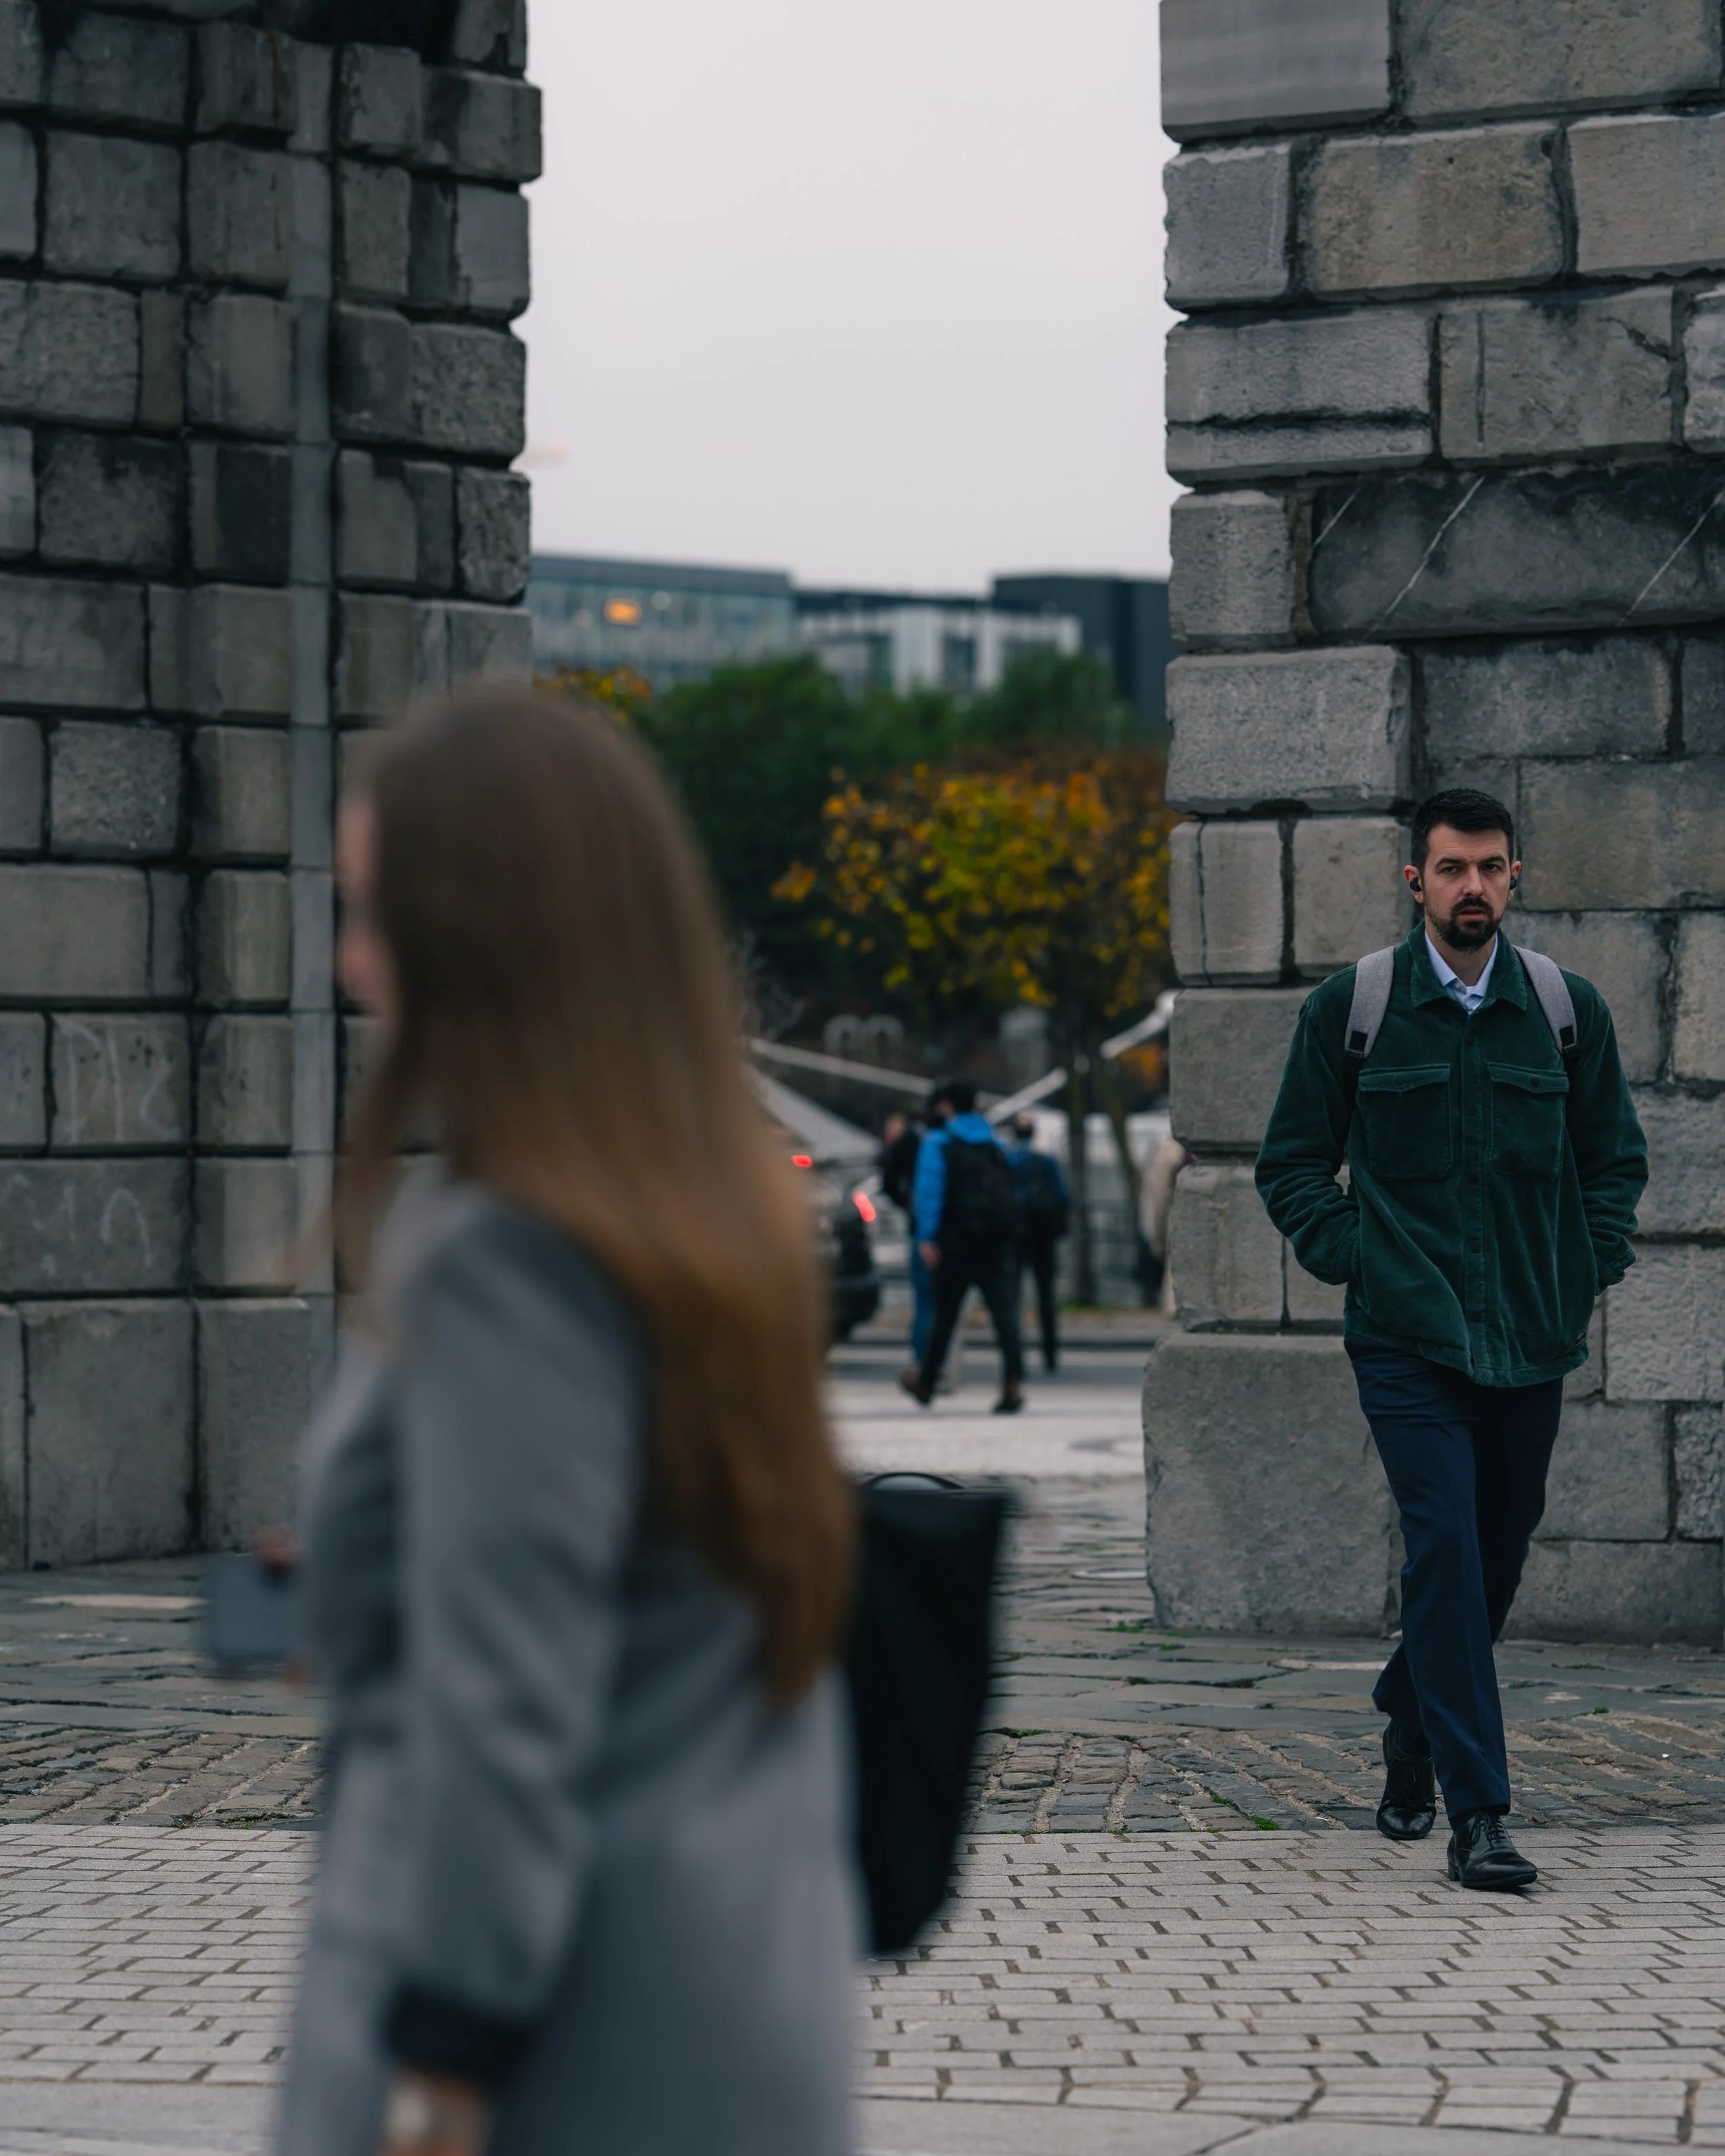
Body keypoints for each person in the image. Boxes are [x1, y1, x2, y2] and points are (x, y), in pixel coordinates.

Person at [278, 689, 857, 2156]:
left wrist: (440, 2060)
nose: (350, 963)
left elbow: (504, 1698)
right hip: (726, 1993)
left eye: (373, 910)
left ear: (480, 927)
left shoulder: (503, 1250)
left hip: (557, 2052)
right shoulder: (714, 1211)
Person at [1256, 788, 1646, 1893]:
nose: (1471, 886)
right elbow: (1289, 1164)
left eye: (1490, 867)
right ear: (1414, 878)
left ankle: (1410, 1719)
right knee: (1445, 1548)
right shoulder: (1358, 1008)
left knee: (1497, 1553)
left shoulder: (1566, 1011)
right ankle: (1481, 1813)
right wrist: (1359, 1257)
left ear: (1515, 877)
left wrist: (1589, 1264)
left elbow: (1613, 1162)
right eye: (1451, 868)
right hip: (1406, 1335)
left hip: (1530, 1335)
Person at [899, 1080, 1024, 1414]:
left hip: (955, 1243)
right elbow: (1014, 1188)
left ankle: (927, 1381)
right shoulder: (997, 1144)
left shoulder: (939, 1143)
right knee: (1005, 1316)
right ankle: (1012, 1382)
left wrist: (927, 1237)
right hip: (996, 1244)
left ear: (947, 1106)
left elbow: (930, 1192)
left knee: (945, 1315)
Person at [1009, 1112, 1070, 1372]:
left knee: (1013, 1299)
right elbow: (1064, 1197)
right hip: (1043, 1237)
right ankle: (1050, 1354)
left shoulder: (1009, 1161)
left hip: (1015, 1236)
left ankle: (1015, 1353)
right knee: (1046, 1298)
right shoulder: (1045, 1163)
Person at [879, 1104, 936, 1363]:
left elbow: (888, 1180)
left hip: (921, 1226)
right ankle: (937, 1363)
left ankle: (924, 1362)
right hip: (954, 1231)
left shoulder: (910, 1142)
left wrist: (906, 1204)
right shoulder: (947, 1140)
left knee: (924, 1300)